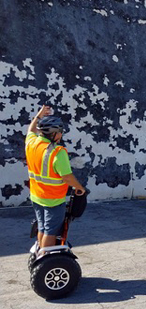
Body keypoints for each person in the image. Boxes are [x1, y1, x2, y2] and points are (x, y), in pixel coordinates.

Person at [25, 105, 86, 253]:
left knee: (42, 225)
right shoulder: (57, 152)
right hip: (53, 199)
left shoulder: (31, 142)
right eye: (60, 132)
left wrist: (39, 116)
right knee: (51, 230)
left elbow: (30, 130)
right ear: (54, 134)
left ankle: (40, 253)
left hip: (36, 196)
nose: (61, 134)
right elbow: (67, 176)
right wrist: (80, 188)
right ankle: (47, 259)